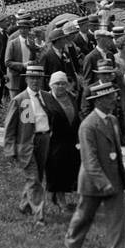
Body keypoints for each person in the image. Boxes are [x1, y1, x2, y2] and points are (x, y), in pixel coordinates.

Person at [65, 82, 125, 248]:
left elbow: (116, 154)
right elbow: (89, 160)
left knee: (116, 219)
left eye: (113, 96)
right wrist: (104, 183)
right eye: (110, 97)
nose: (114, 100)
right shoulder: (88, 126)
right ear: (99, 101)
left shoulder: (112, 121)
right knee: (84, 216)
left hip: (114, 179)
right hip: (92, 181)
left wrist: (121, 180)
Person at [4, 63, 58, 223]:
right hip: (26, 143)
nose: (35, 81)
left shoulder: (47, 97)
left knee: (37, 176)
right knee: (33, 178)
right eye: (32, 78)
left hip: (44, 140)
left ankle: (24, 205)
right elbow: (10, 126)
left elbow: (53, 114)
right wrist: (10, 148)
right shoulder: (19, 100)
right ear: (26, 79)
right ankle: (39, 215)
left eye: (38, 79)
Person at [45, 71, 82, 214]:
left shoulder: (72, 97)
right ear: (51, 85)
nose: (60, 86)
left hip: (70, 139)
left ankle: (58, 194)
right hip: (54, 140)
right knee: (56, 169)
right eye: (57, 83)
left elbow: (76, 116)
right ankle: (60, 201)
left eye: (63, 83)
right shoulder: (47, 99)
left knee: (69, 169)